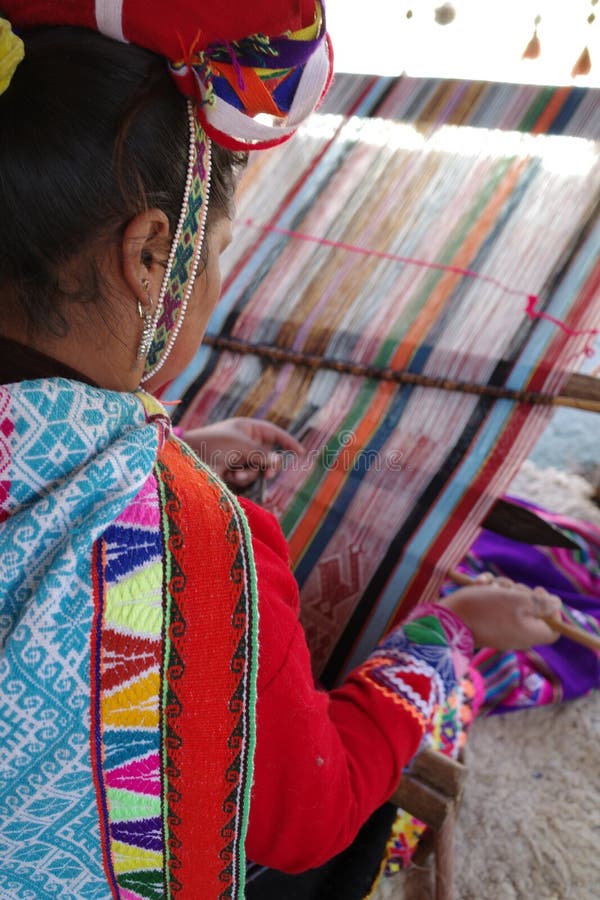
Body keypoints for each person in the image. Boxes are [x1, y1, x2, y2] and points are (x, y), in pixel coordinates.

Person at [0, 7, 564, 899]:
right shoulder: (195, 550)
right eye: (218, 250)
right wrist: (447, 635)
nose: (220, 279)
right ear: (152, 255)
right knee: (353, 827)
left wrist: (181, 445)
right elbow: (308, 815)